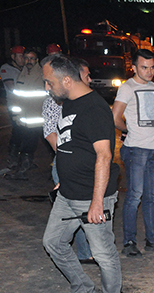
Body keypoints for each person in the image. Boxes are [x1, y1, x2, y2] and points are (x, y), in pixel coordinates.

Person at [41, 54, 122, 293]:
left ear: (66, 79)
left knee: (103, 254)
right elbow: (70, 145)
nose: (47, 88)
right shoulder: (68, 104)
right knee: (53, 242)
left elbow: (103, 155)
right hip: (68, 194)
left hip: (92, 197)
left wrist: (97, 202)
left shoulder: (94, 109)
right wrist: (64, 178)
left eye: (49, 82)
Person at [112, 49, 154, 257]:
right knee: (134, 197)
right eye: (144, 67)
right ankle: (129, 241)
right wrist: (128, 130)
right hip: (136, 149)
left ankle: (153, 240)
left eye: (152, 67)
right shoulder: (127, 88)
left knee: (152, 197)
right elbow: (115, 117)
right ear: (134, 67)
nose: (149, 72)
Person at [43, 58, 95, 264]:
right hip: (66, 163)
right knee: (75, 210)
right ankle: (84, 252)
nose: (89, 79)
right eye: (86, 75)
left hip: (78, 163)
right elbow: (49, 133)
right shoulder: (55, 101)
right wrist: (68, 156)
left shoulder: (82, 102)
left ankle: (85, 251)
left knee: (80, 209)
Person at [6, 48, 43, 180]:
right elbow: (17, 97)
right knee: (22, 142)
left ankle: (23, 171)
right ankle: (19, 167)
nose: (29, 61)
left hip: (36, 119)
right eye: (26, 58)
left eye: (32, 58)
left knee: (29, 145)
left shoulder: (41, 75)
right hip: (22, 118)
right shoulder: (22, 73)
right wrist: (16, 115)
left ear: (37, 60)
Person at [1, 45, 25, 170]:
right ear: (13, 57)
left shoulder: (25, 69)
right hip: (15, 105)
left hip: (27, 105)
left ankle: (25, 160)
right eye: (20, 56)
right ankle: (13, 159)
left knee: (28, 133)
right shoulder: (6, 69)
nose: (23, 59)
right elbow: (11, 87)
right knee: (18, 131)